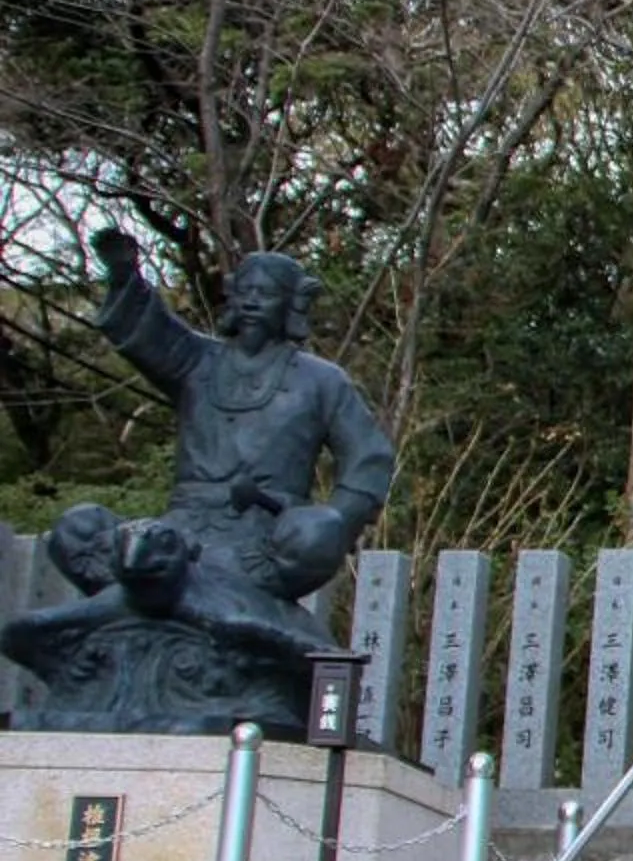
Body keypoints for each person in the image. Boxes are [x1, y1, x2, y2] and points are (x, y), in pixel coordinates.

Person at [52, 230, 394, 601]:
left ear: (292, 304)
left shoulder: (322, 380)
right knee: (78, 526)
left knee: (320, 532)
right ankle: (148, 593)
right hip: (179, 529)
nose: (252, 302)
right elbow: (151, 336)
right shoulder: (197, 360)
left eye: (266, 294)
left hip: (265, 541)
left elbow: (369, 457)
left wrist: (332, 523)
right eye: (245, 291)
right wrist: (125, 278)